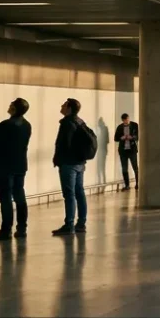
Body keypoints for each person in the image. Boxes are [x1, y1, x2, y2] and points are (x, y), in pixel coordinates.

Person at [0, 98, 32, 241]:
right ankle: (22, 228)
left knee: (5, 198)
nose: (9, 106)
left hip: (5, 165)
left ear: (14, 109)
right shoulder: (27, 125)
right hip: (20, 165)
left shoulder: (6, 124)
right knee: (19, 196)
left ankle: (6, 230)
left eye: (11, 105)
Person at [52, 98, 92, 236]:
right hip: (80, 163)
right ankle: (81, 223)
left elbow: (65, 144)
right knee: (79, 192)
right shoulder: (80, 121)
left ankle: (69, 224)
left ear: (69, 108)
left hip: (69, 163)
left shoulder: (67, 123)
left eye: (64, 104)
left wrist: (58, 159)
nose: (61, 106)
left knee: (69, 194)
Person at [114, 113, 139, 191]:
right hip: (123, 150)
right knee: (124, 168)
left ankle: (137, 183)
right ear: (122, 120)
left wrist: (132, 137)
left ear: (129, 118)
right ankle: (127, 185)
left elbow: (138, 135)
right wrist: (122, 138)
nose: (126, 121)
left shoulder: (135, 125)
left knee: (135, 167)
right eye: (124, 120)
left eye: (127, 119)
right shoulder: (120, 127)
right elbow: (116, 138)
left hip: (132, 149)